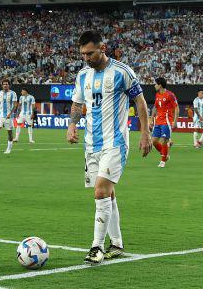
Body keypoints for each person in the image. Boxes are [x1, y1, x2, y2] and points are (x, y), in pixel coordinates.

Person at [66, 30, 150, 265]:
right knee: (108, 194)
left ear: (102, 48)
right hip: (91, 143)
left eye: (90, 53)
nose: (86, 58)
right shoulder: (83, 75)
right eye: (83, 54)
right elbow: (77, 102)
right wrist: (72, 125)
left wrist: (145, 133)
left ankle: (96, 247)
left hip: (115, 142)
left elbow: (140, 103)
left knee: (101, 191)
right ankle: (117, 243)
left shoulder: (122, 72)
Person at [151, 77, 178, 167]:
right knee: (154, 141)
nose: (154, 86)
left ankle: (163, 161)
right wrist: (151, 119)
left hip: (167, 121)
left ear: (160, 85)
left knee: (164, 141)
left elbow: (176, 108)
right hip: (158, 121)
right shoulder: (157, 95)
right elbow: (155, 107)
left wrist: (175, 121)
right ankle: (164, 154)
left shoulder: (170, 95)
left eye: (156, 84)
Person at [0, 80, 19, 154]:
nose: (5, 85)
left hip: (9, 116)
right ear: (2, 85)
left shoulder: (13, 93)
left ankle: (9, 149)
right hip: (0, 115)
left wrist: (10, 114)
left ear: (9, 85)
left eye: (6, 84)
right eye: (4, 84)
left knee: (10, 132)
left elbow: (15, 105)